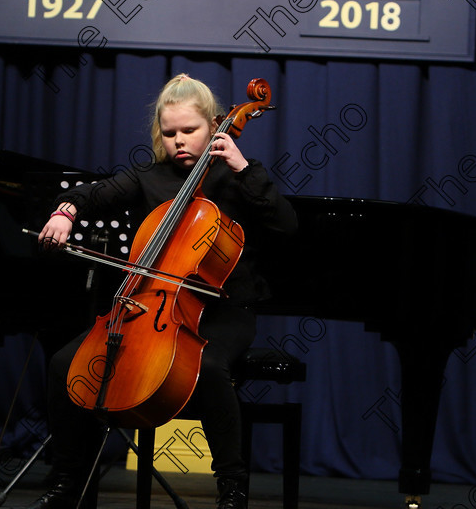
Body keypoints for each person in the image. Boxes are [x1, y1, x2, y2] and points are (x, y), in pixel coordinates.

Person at [30, 74, 298, 509]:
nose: (178, 142)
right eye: (169, 133)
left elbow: (287, 226)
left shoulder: (237, 177)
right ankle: (68, 480)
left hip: (222, 310)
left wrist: (243, 168)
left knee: (209, 367)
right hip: (149, 305)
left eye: (189, 131)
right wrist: (67, 209)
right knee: (65, 363)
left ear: (213, 125)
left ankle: (232, 488)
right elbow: (94, 193)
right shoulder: (149, 177)